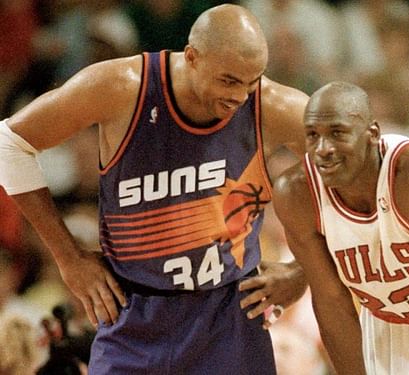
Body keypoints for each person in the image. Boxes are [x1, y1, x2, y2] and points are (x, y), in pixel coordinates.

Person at [0, 4, 309, 374]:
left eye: (252, 80)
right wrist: (68, 257)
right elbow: (9, 144)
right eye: (228, 80)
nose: (240, 96)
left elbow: (359, 173)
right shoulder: (122, 87)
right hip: (133, 314)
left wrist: (302, 271)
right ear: (191, 57)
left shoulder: (272, 106)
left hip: (228, 315)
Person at [272, 81, 409, 374]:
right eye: (313, 136)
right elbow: (332, 306)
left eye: (337, 133)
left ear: (372, 134)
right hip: (386, 325)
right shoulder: (296, 192)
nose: (323, 149)